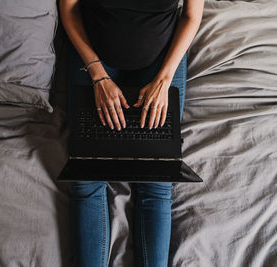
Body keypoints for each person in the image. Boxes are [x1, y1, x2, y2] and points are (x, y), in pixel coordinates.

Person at [59, 0, 204, 266]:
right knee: (87, 174)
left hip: (160, 58)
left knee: (157, 177)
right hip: (94, 52)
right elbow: (69, 8)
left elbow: (192, 16)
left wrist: (163, 80)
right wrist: (98, 76)